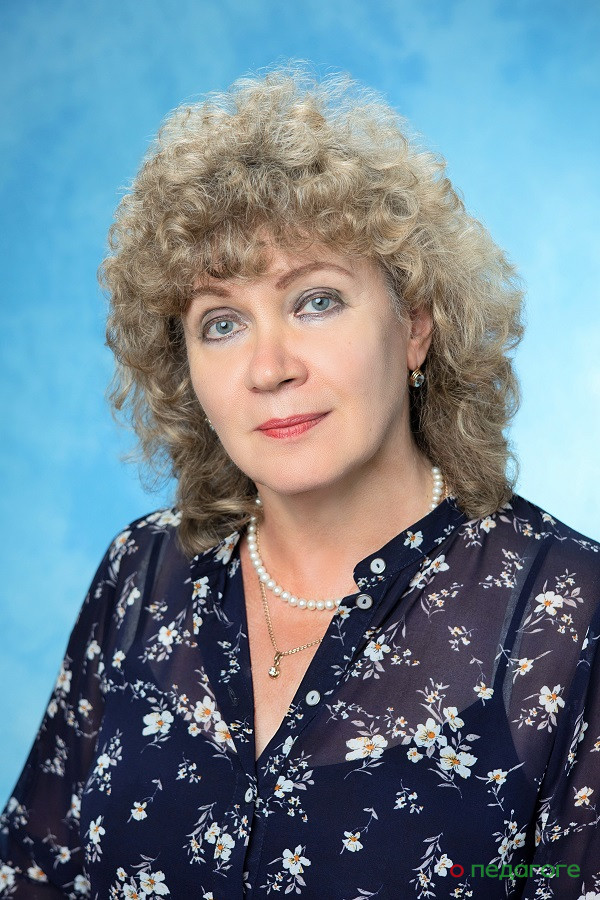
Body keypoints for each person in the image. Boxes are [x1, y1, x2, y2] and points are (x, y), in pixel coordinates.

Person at [1, 66, 599, 900]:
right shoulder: (141, 574)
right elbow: (32, 873)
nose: (269, 367)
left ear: (415, 326)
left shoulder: (568, 612)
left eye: (315, 301)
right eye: (222, 323)